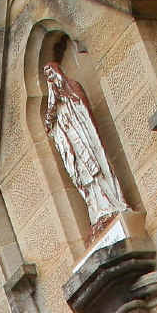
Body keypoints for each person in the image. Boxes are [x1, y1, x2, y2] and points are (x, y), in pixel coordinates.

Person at [42, 63, 128, 231]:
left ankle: (112, 204)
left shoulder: (71, 87)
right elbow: (51, 127)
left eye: (51, 73)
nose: (50, 77)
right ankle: (98, 212)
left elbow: (81, 106)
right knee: (82, 177)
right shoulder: (54, 105)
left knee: (97, 171)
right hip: (71, 148)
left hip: (84, 140)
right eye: (47, 75)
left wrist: (65, 97)